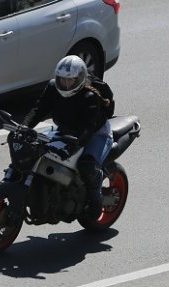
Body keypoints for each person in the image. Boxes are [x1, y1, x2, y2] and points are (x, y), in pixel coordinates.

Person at [22, 55, 115, 217]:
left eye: (69, 81)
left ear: (79, 79)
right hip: (65, 130)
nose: (64, 84)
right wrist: (24, 126)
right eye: (61, 79)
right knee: (36, 152)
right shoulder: (52, 87)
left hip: (96, 134)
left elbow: (89, 127)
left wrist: (75, 145)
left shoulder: (89, 96)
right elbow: (39, 109)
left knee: (87, 167)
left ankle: (96, 200)